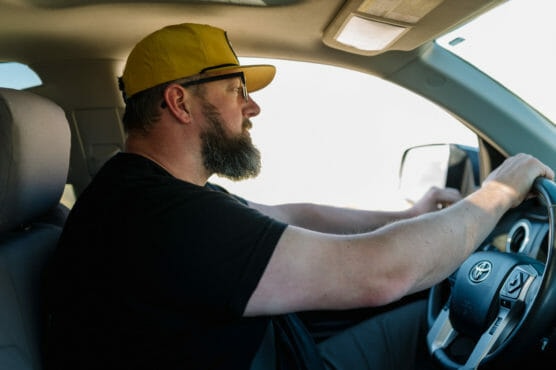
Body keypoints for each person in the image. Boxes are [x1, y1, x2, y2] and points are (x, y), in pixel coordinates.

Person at [44, 23, 554, 370]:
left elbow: (292, 214)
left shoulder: (149, 195)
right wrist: (496, 193)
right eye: (236, 91)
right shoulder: (154, 216)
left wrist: (410, 214)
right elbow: (381, 274)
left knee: (428, 307)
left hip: (281, 349)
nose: (252, 108)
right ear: (179, 101)